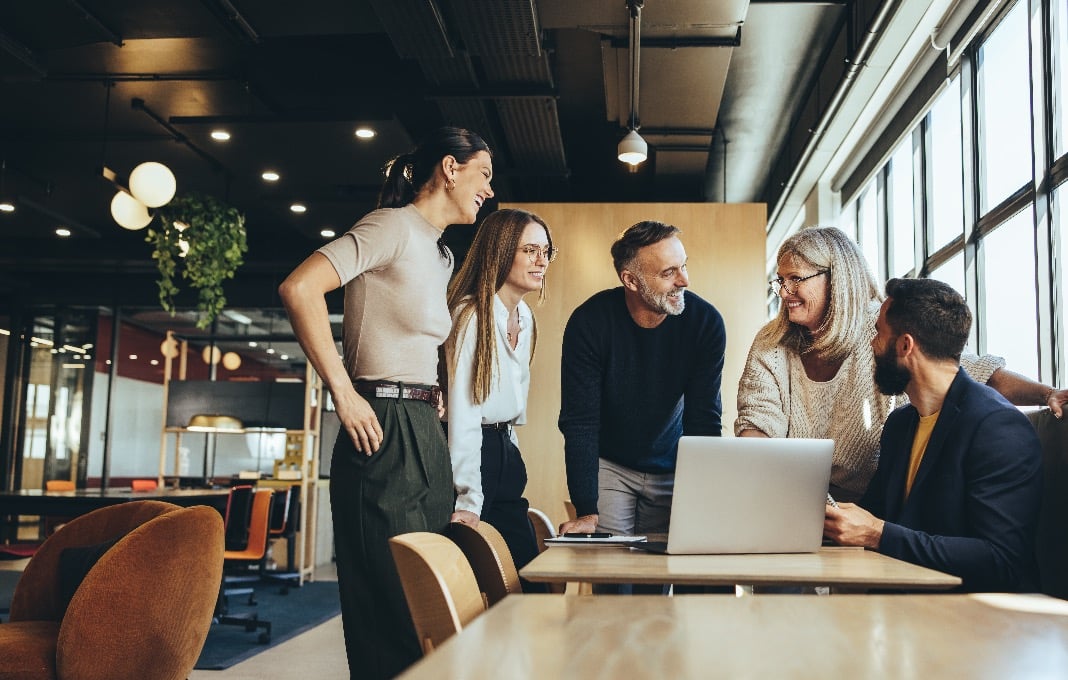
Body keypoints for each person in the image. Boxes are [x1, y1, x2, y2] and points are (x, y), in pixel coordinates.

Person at [278, 126, 493, 679]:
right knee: (391, 609)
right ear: (450, 168)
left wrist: (433, 392)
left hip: (423, 427)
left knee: (430, 602)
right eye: (483, 175)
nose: (488, 190)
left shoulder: (441, 255)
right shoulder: (390, 227)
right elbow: (299, 289)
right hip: (382, 425)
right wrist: (343, 393)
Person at [736, 226, 1065, 502]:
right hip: (791, 497)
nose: (784, 292)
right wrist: (810, 504)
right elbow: (757, 427)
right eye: (780, 280)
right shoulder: (772, 343)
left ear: (834, 279)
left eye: (795, 278)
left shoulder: (881, 328)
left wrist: (1046, 393)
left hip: (872, 505)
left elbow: (968, 372)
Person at [824, 278, 1042, 592]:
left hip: (982, 623)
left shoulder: (999, 428)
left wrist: (877, 534)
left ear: (905, 346)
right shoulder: (901, 425)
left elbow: (1001, 560)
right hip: (907, 609)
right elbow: (874, 515)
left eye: (878, 333)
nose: (871, 345)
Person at [558, 220, 726, 539]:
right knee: (613, 575)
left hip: (676, 461)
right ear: (631, 280)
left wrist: (705, 497)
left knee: (659, 574)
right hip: (611, 464)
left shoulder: (706, 323)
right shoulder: (590, 323)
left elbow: (704, 419)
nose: (685, 280)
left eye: (684, 266)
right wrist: (586, 510)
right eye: (668, 272)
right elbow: (580, 421)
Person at [444, 208, 555, 585]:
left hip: (505, 450)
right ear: (501, 251)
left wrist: (513, 451)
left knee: (525, 577)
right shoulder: (471, 315)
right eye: (530, 251)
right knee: (477, 582)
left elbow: (511, 403)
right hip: (473, 457)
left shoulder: (524, 316)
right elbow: (464, 413)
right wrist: (469, 499)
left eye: (546, 251)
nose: (542, 261)